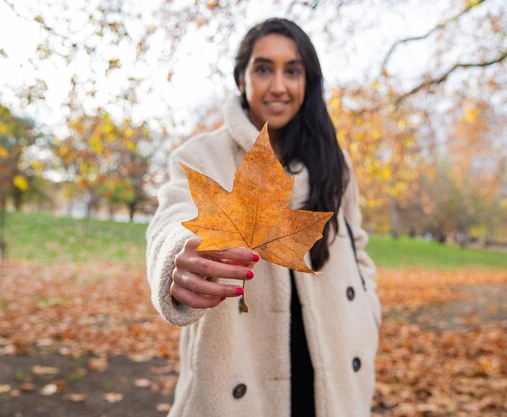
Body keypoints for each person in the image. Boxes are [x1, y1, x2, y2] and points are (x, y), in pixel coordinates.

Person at [146, 18, 381, 417]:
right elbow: (173, 217)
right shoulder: (201, 157)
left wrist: (368, 312)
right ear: (242, 79)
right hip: (240, 379)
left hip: (335, 372)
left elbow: (356, 248)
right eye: (263, 68)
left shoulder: (332, 162)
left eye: (292, 70)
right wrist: (176, 260)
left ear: (307, 81)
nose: (278, 85)